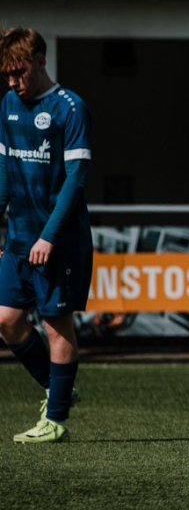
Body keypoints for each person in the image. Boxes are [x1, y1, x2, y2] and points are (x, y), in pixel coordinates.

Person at [0, 27, 92, 443]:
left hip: (58, 241)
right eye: (6, 75)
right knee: (7, 321)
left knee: (57, 327)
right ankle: (59, 389)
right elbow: (5, 169)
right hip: (19, 237)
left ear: (41, 61)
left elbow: (76, 179)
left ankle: (55, 420)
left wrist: (49, 237)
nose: (12, 82)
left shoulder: (70, 108)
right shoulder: (7, 104)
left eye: (18, 73)